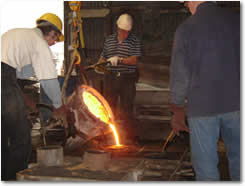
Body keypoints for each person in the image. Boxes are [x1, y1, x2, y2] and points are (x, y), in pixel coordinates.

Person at [169, 1, 240, 181]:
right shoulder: (238, 21)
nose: (187, 8)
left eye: (186, 4)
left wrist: (177, 107)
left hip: (202, 109)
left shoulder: (186, 29)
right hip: (238, 105)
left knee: (206, 168)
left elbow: (180, 74)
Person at [1, 13, 67, 180]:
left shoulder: (19, 34)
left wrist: (27, 100)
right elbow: (49, 80)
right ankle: (13, 179)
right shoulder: (39, 43)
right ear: (51, 32)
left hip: (6, 79)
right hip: (4, 79)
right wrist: (59, 106)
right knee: (21, 138)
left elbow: (18, 74)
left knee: (2, 135)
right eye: (54, 39)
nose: (53, 44)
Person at [96, 13, 142, 142]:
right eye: (123, 31)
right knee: (109, 107)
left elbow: (134, 60)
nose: (125, 34)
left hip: (127, 78)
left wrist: (120, 60)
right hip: (110, 78)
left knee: (127, 108)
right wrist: (99, 66)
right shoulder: (109, 40)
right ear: (118, 28)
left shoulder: (134, 41)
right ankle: (109, 136)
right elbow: (103, 57)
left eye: (127, 32)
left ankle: (129, 138)